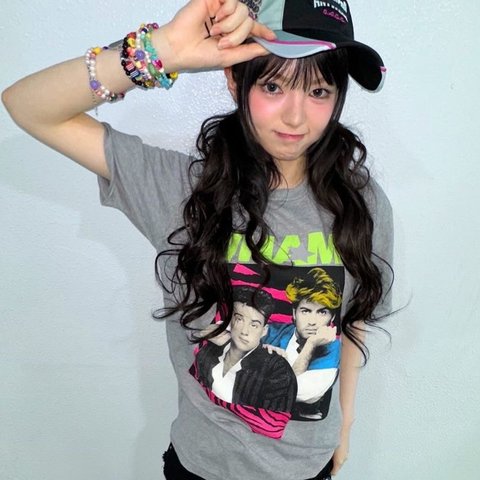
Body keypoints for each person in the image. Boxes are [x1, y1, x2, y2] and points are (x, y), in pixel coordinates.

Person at [2, 0, 394, 479]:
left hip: (308, 468)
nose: (295, 117)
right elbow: (26, 105)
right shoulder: (182, 191)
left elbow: (352, 322)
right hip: (199, 467)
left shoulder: (362, 206)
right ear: (235, 79)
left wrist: (345, 427)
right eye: (273, 86)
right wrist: (162, 49)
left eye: (318, 91)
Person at [191, 285, 298, 438]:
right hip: (195, 439)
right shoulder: (207, 352)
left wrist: (213, 404)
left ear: (264, 330)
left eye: (254, 325)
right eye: (240, 320)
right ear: (230, 321)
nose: (245, 331)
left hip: (259, 450)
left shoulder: (277, 368)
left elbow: (273, 427)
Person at [263, 267, 342, 421]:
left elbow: (296, 392)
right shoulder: (273, 331)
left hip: (301, 429)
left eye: (322, 312)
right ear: (294, 313)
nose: (312, 321)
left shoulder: (333, 348)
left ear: (332, 318)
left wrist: (310, 344)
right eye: (305, 311)